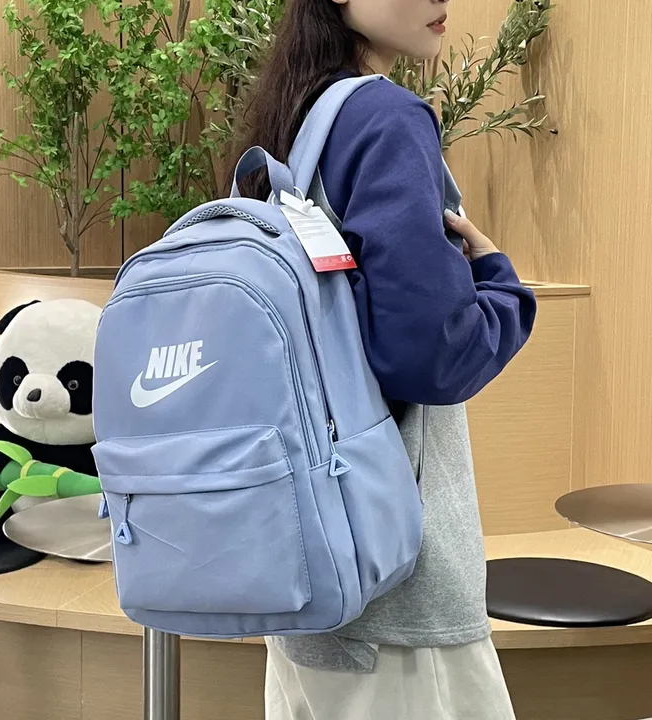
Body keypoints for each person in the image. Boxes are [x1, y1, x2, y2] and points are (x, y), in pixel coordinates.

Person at [227, 0, 538, 717]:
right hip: (398, 592)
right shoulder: (387, 119)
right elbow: (431, 356)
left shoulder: (288, 132)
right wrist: (501, 289)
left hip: (303, 575)